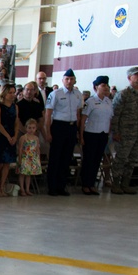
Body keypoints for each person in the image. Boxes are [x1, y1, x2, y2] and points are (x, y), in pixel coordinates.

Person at [109, 66, 138, 194]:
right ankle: (115, 183)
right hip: (125, 133)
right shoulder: (123, 94)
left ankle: (125, 183)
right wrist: (116, 132)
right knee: (121, 159)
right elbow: (116, 114)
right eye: (136, 74)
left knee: (133, 159)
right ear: (129, 78)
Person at [43, 68, 83, 196]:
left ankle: (62, 186)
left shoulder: (78, 94)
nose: (69, 81)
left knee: (66, 158)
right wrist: (48, 132)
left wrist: (76, 131)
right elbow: (48, 114)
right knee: (56, 158)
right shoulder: (56, 94)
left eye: (71, 79)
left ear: (75, 80)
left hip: (71, 127)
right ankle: (52, 187)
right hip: (59, 126)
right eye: (67, 79)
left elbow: (78, 113)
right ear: (62, 80)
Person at [79, 75, 113, 195]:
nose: (105, 88)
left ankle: (92, 183)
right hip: (91, 134)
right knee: (89, 160)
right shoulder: (90, 102)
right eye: (103, 86)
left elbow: (110, 118)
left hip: (103, 134)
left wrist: (108, 133)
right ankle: (85, 184)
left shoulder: (108, 101)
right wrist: (81, 136)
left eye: (107, 86)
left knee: (97, 160)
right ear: (96, 87)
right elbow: (83, 120)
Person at [0, 83, 20, 197]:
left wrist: (15, 135)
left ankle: (3, 185)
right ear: (4, 93)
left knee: (7, 163)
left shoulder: (15, 107)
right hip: (1, 136)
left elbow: (17, 122)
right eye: (10, 93)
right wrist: (8, 136)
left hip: (12, 136)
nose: (12, 95)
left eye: (14, 92)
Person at [16, 118, 42, 196]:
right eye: (29, 128)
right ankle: (22, 189)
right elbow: (20, 149)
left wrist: (38, 158)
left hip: (32, 158)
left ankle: (27, 189)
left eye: (33, 128)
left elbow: (37, 149)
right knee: (22, 174)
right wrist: (20, 158)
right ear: (26, 128)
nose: (31, 130)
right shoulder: (23, 138)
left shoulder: (36, 138)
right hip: (24, 157)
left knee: (29, 174)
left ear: (36, 128)